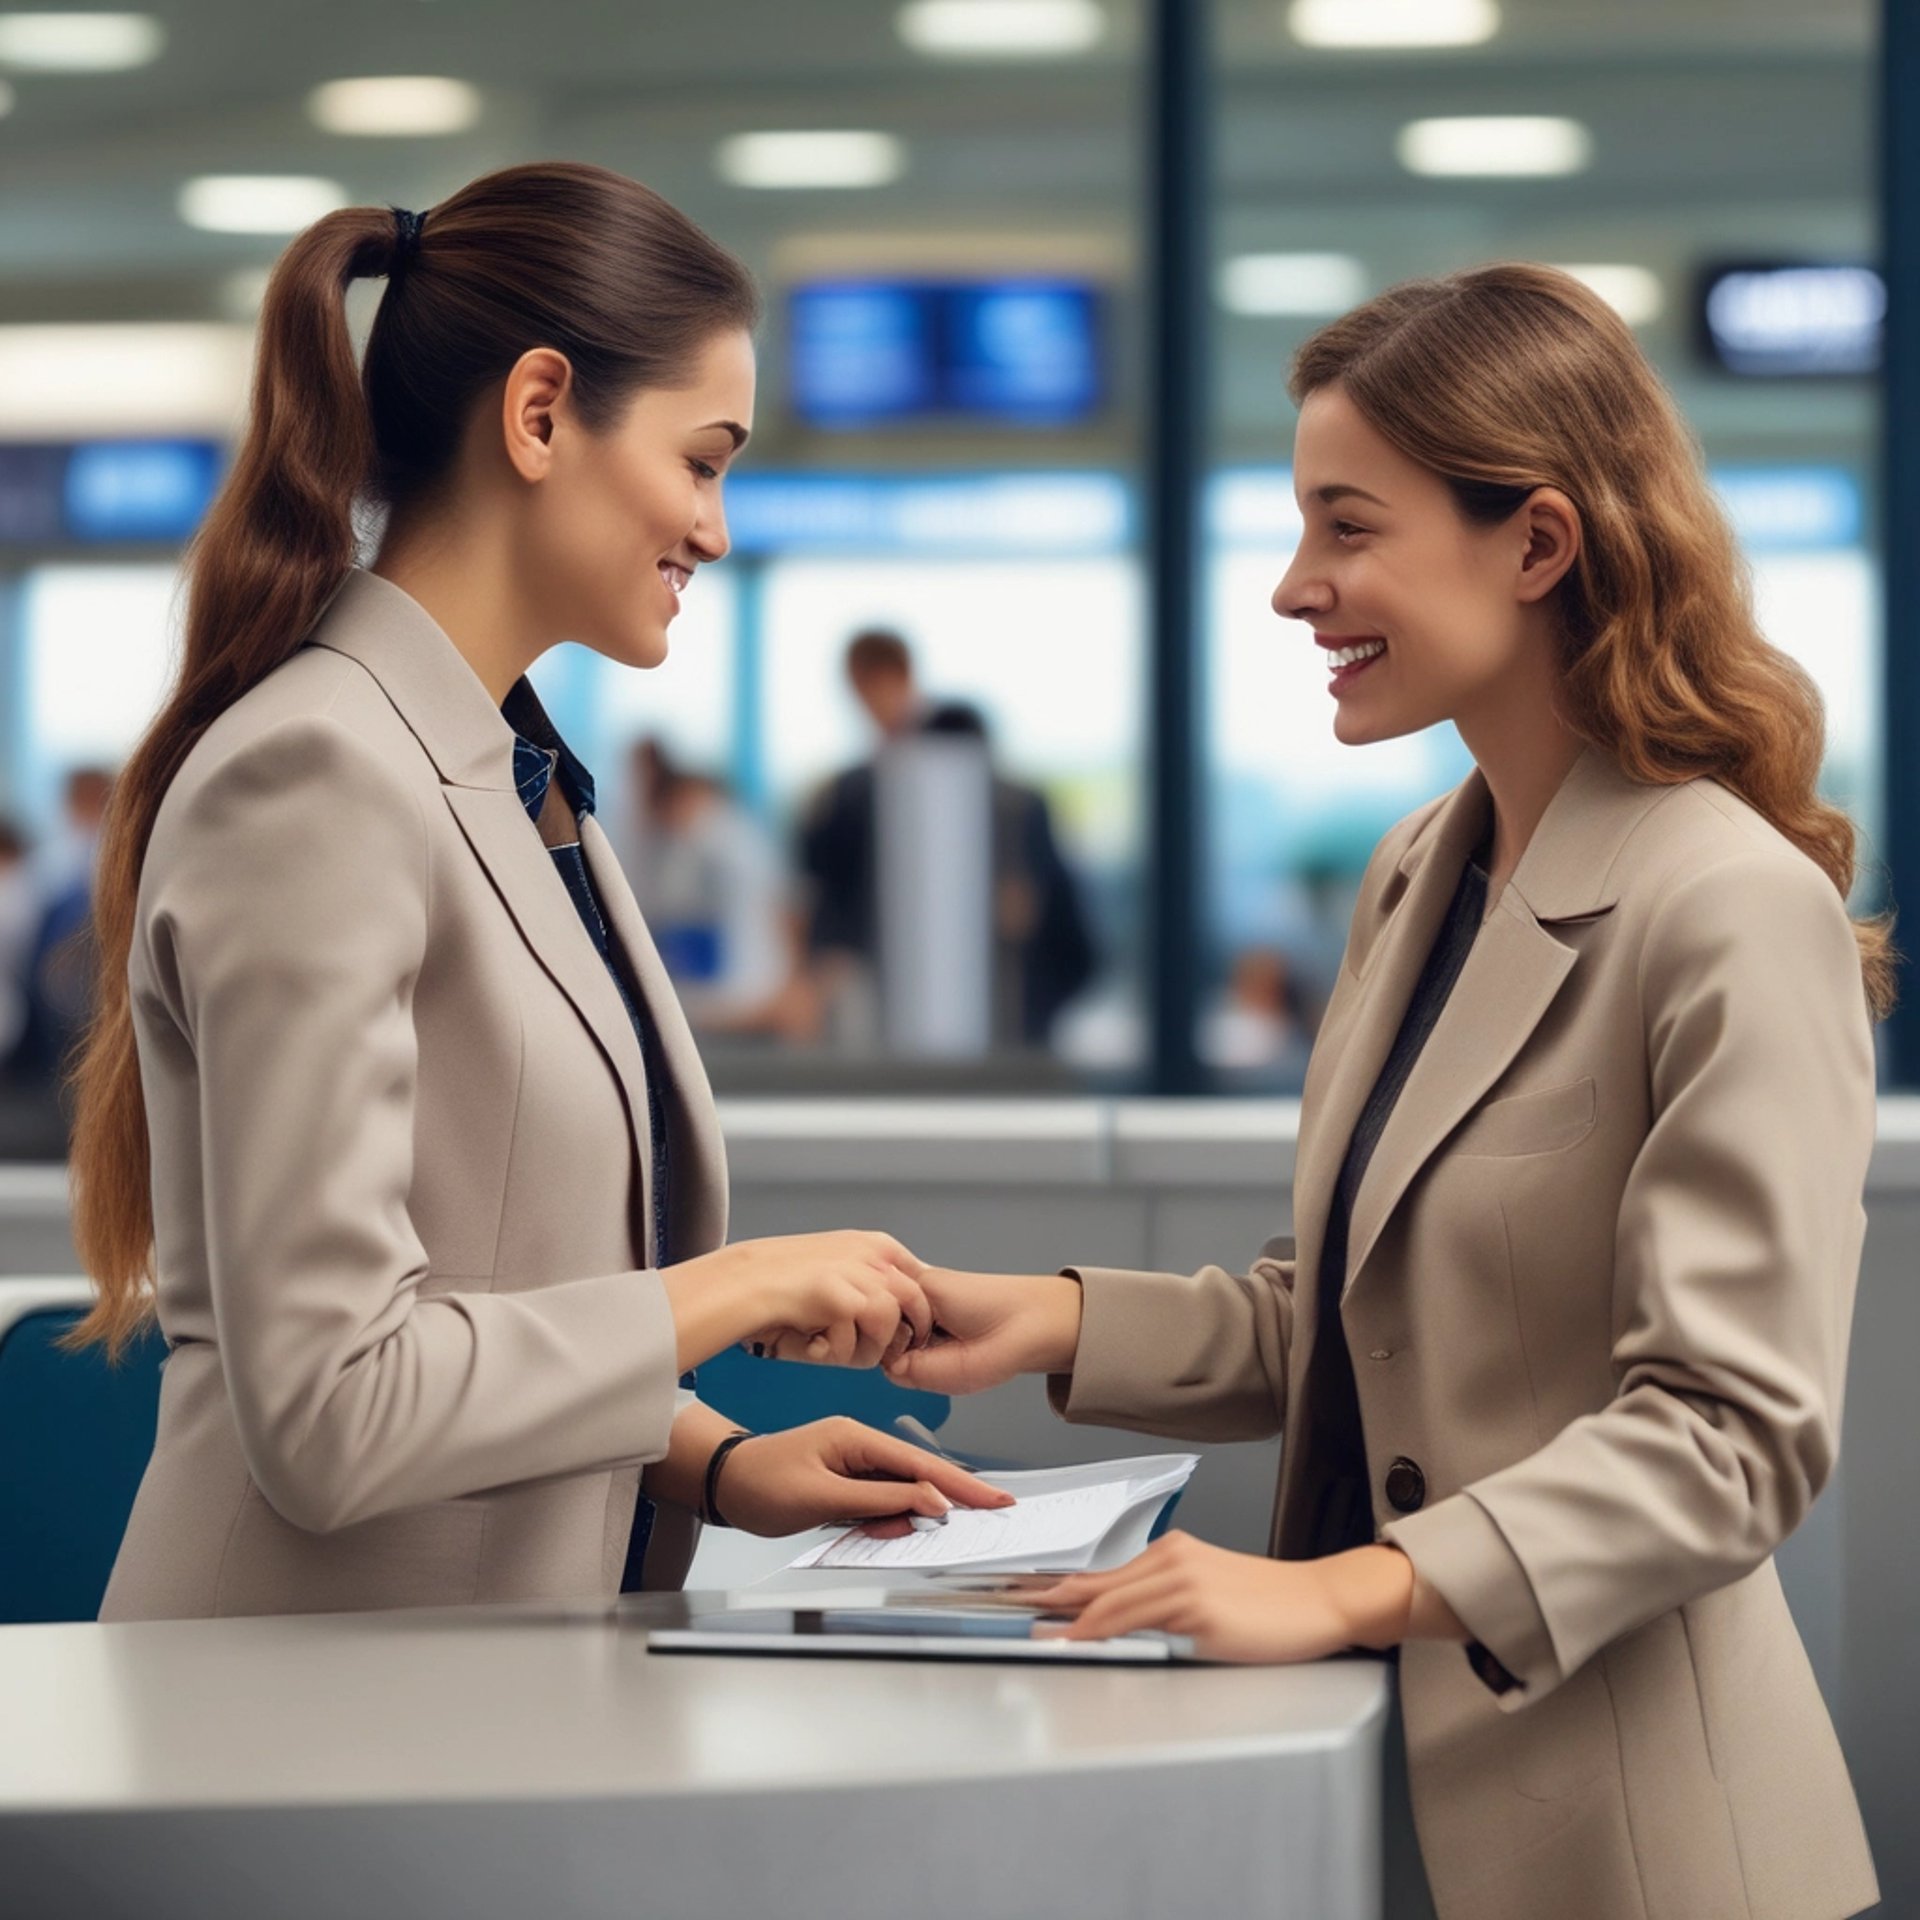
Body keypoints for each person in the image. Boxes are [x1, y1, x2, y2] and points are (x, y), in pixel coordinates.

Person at [888, 265, 1888, 1919]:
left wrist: (1346, 1591)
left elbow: (1734, 1437)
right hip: (1391, 1801)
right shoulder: (1423, 867)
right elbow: (1370, 1322)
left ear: (1539, 545)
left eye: (1346, 528)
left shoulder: (1727, 905)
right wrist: (1049, 1322)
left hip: (1643, 1854)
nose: (1295, 588)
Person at [64, 161, 1007, 1622]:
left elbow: (487, 1293)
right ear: (542, 411)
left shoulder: (510, 778)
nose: (716, 529)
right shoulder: (318, 776)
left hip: (472, 1699)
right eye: (703, 461)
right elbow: (334, 1405)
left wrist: (711, 1462)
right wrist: (741, 1288)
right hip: (287, 1727)